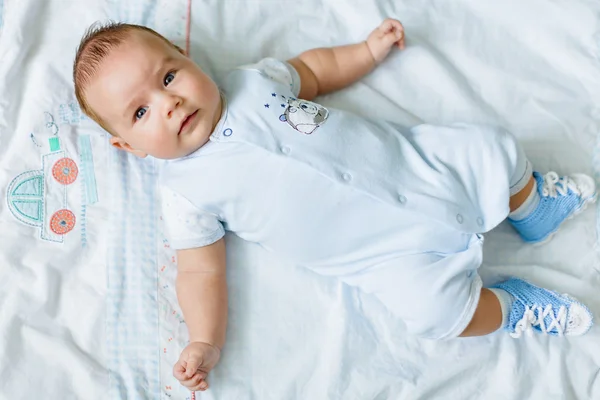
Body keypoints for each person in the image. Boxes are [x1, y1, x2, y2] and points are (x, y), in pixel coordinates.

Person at [73, 18, 597, 392]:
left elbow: (314, 71)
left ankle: (534, 210)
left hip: (420, 168)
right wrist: (204, 340)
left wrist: (365, 52)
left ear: (188, 61)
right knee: (440, 314)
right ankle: (513, 307)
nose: (170, 103)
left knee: (493, 149)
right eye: (140, 112)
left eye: (169, 77)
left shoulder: (252, 83)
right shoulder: (184, 192)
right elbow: (200, 273)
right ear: (130, 147)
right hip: (387, 258)